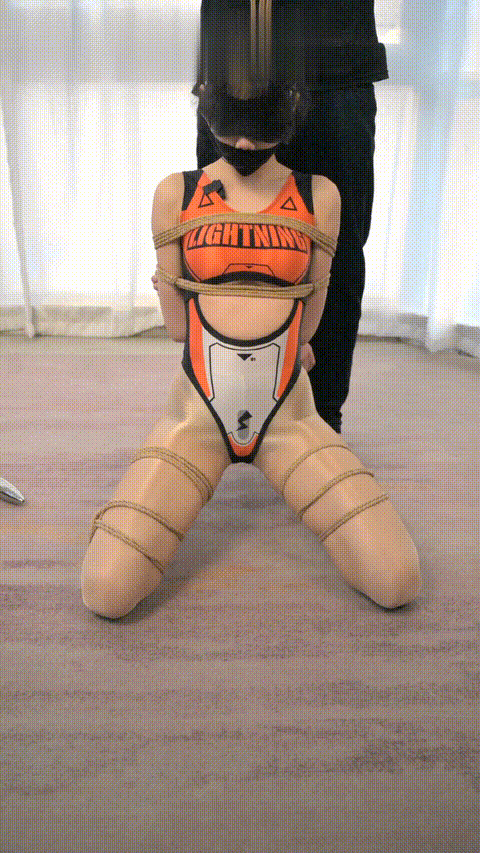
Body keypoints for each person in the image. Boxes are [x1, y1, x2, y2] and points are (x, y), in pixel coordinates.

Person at [80, 72, 421, 619]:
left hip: (289, 416)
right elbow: (178, 329)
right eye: (231, 129)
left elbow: (316, 302)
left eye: (257, 131)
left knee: (397, 579)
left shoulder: (320, 195)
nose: (242, 144)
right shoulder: (175, 193)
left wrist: (296, 345)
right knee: (106, 590)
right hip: (196, 415)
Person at [197, 0, 388, 434]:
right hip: (233, 57)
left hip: (334, 60)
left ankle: (319, 418)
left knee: (335, 248)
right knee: (219, 237)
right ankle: (228, 409)